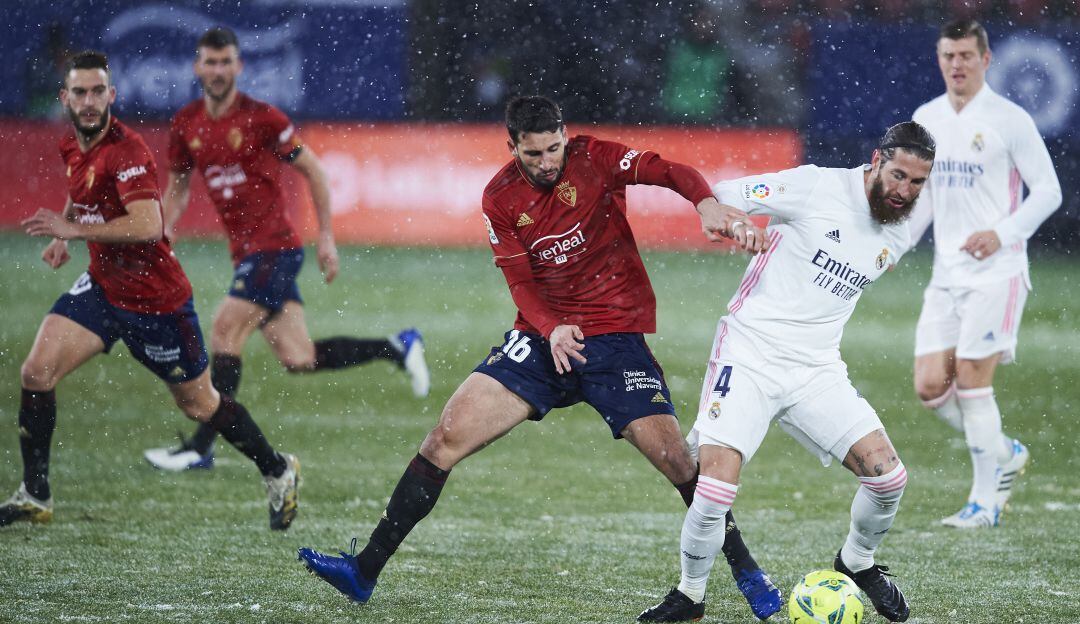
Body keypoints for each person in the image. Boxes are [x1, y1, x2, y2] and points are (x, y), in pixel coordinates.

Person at [296, 95, 783, 620]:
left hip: (615, 338)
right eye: (534, 154)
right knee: (444, 437)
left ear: (564, 136)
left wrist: (703, 202)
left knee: (679, 462)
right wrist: (551, 329)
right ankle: (363, 571)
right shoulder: (499, 198)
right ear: (512, 147)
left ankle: (747, 573)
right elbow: (520, 283)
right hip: (541, 337)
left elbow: (664, 169)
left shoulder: (593, 157)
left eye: (554, 148)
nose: (548, 161)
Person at [639, 122, 936, 623]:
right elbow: (724, 194)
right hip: (750, 353)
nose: (904, 191)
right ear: (876, 159)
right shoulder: (818, 186)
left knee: (889, 480)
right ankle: (690, 596)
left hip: (817, 368)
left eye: (916, 183)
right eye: (898, 176)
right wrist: (736, 223)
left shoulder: (900, 231)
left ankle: (857, 562)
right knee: (712, 491)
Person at [0, 51, 299, 531]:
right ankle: (36, 493)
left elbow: (148, 224)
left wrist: (72, 232)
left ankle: (278, 469)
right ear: (65, 98)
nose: (90, 101)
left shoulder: (129, 151)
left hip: (157, 303)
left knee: (201, 404)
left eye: (99, 91)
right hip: (103, 288)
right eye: (80, 92)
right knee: (36, 372)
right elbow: (82, 189)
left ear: (112, 96)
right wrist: (64, 231)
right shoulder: (71, 146)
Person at [142, 27, 430, 472]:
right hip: (247, 254)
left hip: (275, 249)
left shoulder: (264, 119)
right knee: (300, 358)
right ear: (198, 66)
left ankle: (202, 446)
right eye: (210, 62)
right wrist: (163, 228)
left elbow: (315, 171)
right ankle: (396, 346)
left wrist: (328, 238)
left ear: (239, 66)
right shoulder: (186, 125)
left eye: (226, 62)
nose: (218, 70)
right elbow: (177, 189)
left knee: (223, 331)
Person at [908, 19, 1061, 529]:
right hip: (945, 273)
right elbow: (922, 196)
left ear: (986, 59)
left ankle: (984, 501)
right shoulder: (925, 118)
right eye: (948, 56)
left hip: (998, 272)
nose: (957, 65)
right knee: (931, 386)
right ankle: (1004, 450)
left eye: (966, 56)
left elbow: (1048, 191)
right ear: (939, 59)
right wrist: (891, 245)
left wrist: (1003, 233)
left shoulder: (1009, 118)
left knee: (973, 382)